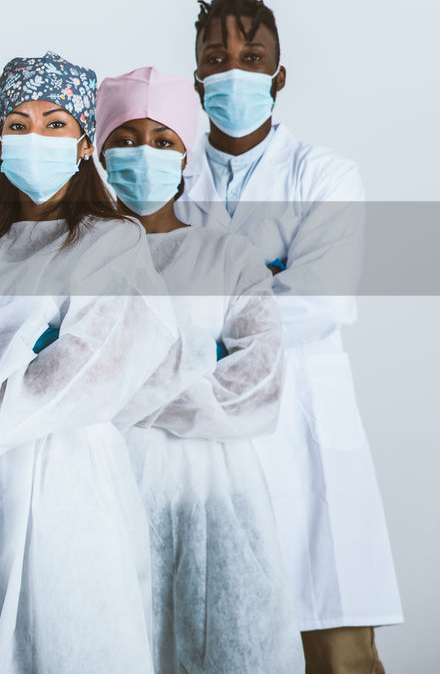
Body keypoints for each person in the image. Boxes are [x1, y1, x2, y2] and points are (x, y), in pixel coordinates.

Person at [0, 52, 177, 674]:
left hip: (67, 475)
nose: (34, 138)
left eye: (55, 123)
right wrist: (27, 338)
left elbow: (94, 369)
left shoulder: (112, 240)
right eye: (17, 124)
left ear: (85, 141)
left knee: (69, 637)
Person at [176, 0, 401, 672]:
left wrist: (202, 321)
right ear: (195, 79)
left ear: (279, 76)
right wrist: (262, 284)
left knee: (334, 648)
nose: (233, 70)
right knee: (218, 633)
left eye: (252, 58)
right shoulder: (168, 176)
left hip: (305, 439)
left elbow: (321, 303)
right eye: (217, 58)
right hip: (206, 441)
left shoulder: (324, 175)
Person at [95, 66, 304, 672]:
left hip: (214, 496)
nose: (144, 155)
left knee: (221, 643)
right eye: (126, 139)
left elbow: (259, 383)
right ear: (100, 153)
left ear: (187, 154)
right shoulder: (76, 255)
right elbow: (47, 376)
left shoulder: (226, 255)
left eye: (163, 141)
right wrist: (196, 359)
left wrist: (122, 378)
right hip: (101, 487)